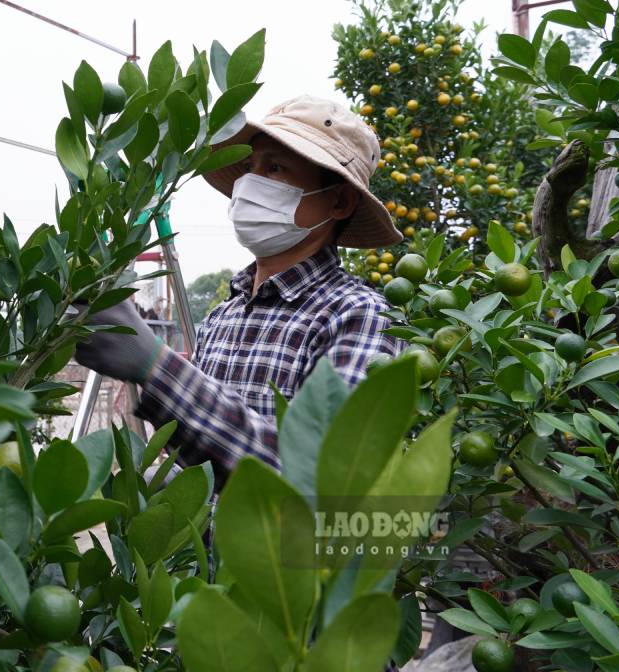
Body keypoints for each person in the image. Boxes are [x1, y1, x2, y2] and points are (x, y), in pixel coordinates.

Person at [75, 96, 407, 487]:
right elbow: (207, 445)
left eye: (276, 168)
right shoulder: (223, 316)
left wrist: (156, 367)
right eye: (250, 167)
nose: (249, 183)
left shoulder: (361, 317)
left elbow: (325, 472)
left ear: (338, 200)